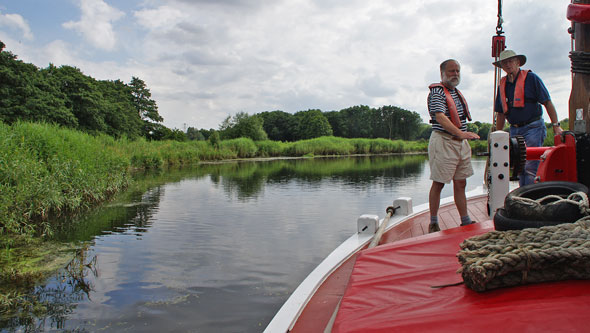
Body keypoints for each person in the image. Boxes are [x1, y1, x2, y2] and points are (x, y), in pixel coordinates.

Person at [493, 49, 563, 186]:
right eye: (504, 63)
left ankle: (530, 198)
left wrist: (556, 126)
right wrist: (497, 134)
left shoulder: (532, 78)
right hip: (514, 129)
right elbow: (500, 113)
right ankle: (523, 196)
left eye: (511, 61)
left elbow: (547, 102)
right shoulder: (502, 84)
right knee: (519, 168)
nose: (508, 65)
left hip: (533, 127)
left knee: (531, 167)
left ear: (518, 62)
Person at [427, 59, 480, 233]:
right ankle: (433, 222)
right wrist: (461, 134)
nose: (455, 74)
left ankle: (465, 220)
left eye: (457, 71)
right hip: (444, 141)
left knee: (461, 182)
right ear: (442, 73)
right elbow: (440, 117)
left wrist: (463, 137)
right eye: (451, 71)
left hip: (460, 143)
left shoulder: (456, 93)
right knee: (439, 183)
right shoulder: (437, 92)